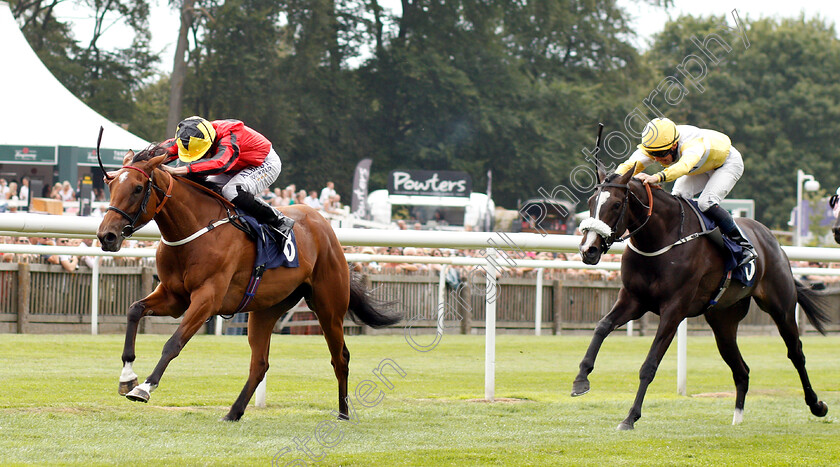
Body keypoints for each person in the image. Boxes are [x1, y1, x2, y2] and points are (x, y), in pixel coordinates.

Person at [615, 117, 756, 266]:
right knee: (677, 198)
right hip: (701, 166)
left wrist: (657, 177)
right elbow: (630, 165)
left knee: (706, 202)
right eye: (652, 154)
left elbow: (684, 166)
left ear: (674, 145)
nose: (657, 158)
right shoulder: (658, 143)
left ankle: (744, 246)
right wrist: (613, 181)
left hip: (726, 164)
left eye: (661, 154)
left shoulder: (692, 142)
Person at [160, 116, 294, 238]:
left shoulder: (229, 133)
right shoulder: (193, 137)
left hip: (262, 162)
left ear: (209, 142)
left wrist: (179, 170)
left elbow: (221, 162)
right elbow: (162, 150)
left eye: (201, 154)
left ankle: (278, 220)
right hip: (234, 165)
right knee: (201, 189)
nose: (198, 158)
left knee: (232, 191)